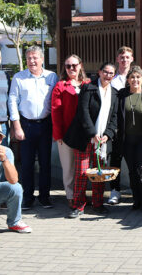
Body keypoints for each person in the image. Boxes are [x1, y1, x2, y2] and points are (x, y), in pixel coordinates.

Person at [65, 62, 119, 218]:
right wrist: (92, 133)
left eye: (111, 73)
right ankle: (78, 206)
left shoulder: (114, 93)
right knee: (82, 173)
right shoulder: (88, 88)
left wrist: (108, 134)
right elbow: (83, 112)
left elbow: (114, 117)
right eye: (105, 72)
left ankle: (98, 203)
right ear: (99, 72)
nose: (108, 76)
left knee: (99, 173)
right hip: (85, 137)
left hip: (102, 140)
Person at [8, 46, 58, 210]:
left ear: (42, 59)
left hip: (45, 124)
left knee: (45, 163)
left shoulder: (51, 77)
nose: (32, 61)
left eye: (35, 57)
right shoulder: (19, 77)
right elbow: (12, 102)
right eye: (29, 58)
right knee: (27, 164)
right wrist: (17, 127)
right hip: (26, 125)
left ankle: (45, 197)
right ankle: (27, 197)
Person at [116, 66, 142, 210]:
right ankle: (136, 199)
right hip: (127, 140)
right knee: (131, 171)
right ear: (128, 80)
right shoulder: (121, 95)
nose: (135, 80)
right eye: (132, 77)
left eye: (138, 77)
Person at [51, 55, 90, 207]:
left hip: (84, 133)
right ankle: (71, 195)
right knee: (68, 167)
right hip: (66, 133)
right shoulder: (60, 86)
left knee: (83, 168)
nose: (72, 68)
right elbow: (56, 111)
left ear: (80, 65)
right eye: (68, 66)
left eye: (74, 65)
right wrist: (58, 134)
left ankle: (83, 195)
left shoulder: (88, 83)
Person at [108, 46, 134, 205]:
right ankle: (114, 190)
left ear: (132, 59)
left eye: (127, 57)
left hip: (133, 127)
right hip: (117, 127)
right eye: (122, 57)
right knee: (115, 160)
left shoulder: (138, 78)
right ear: (118, 59)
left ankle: (135, 188)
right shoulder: (113, 80)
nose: (124, 60)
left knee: (134, 160)